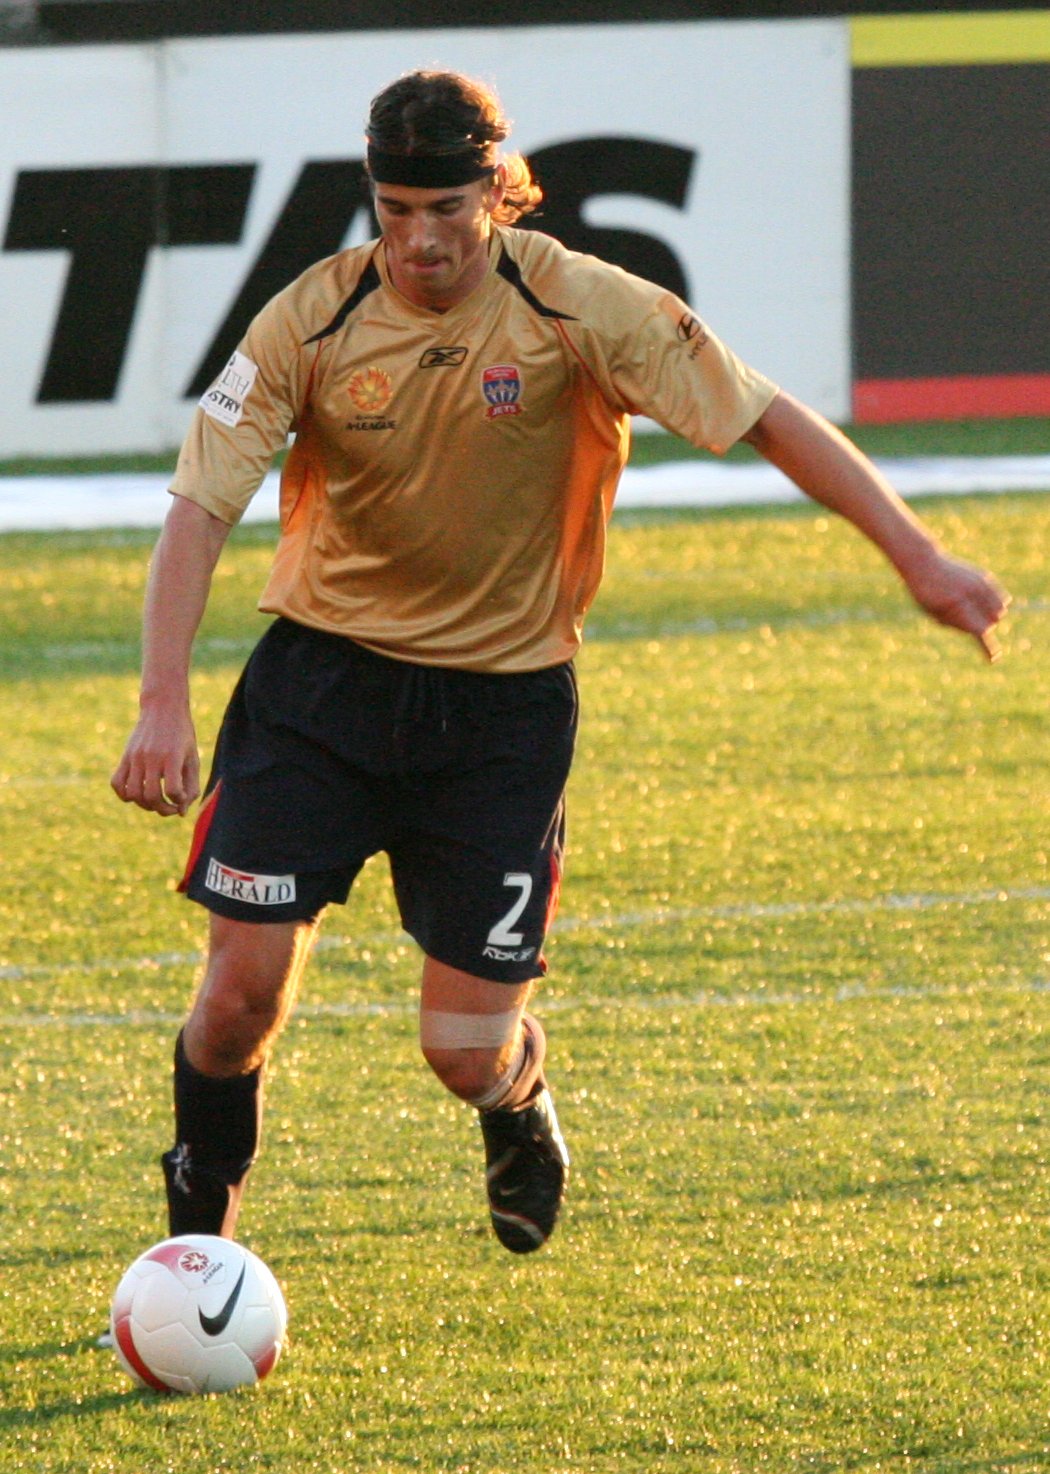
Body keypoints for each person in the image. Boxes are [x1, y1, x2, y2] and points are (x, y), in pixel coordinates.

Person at [111, 69, 1009, 1257]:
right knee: (236, 1001)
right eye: (394, 212)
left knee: (463, 1052)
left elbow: (766, 416)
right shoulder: (309, 317)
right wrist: (161, 702)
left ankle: (518, 1102)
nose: (420, 241)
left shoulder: (583, 307)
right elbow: (199, 507)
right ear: (372, 200)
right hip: (319, 690)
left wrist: (918, 555)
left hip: (501, 716)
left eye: (447, 210)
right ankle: (196, 1244)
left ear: (497, 191)